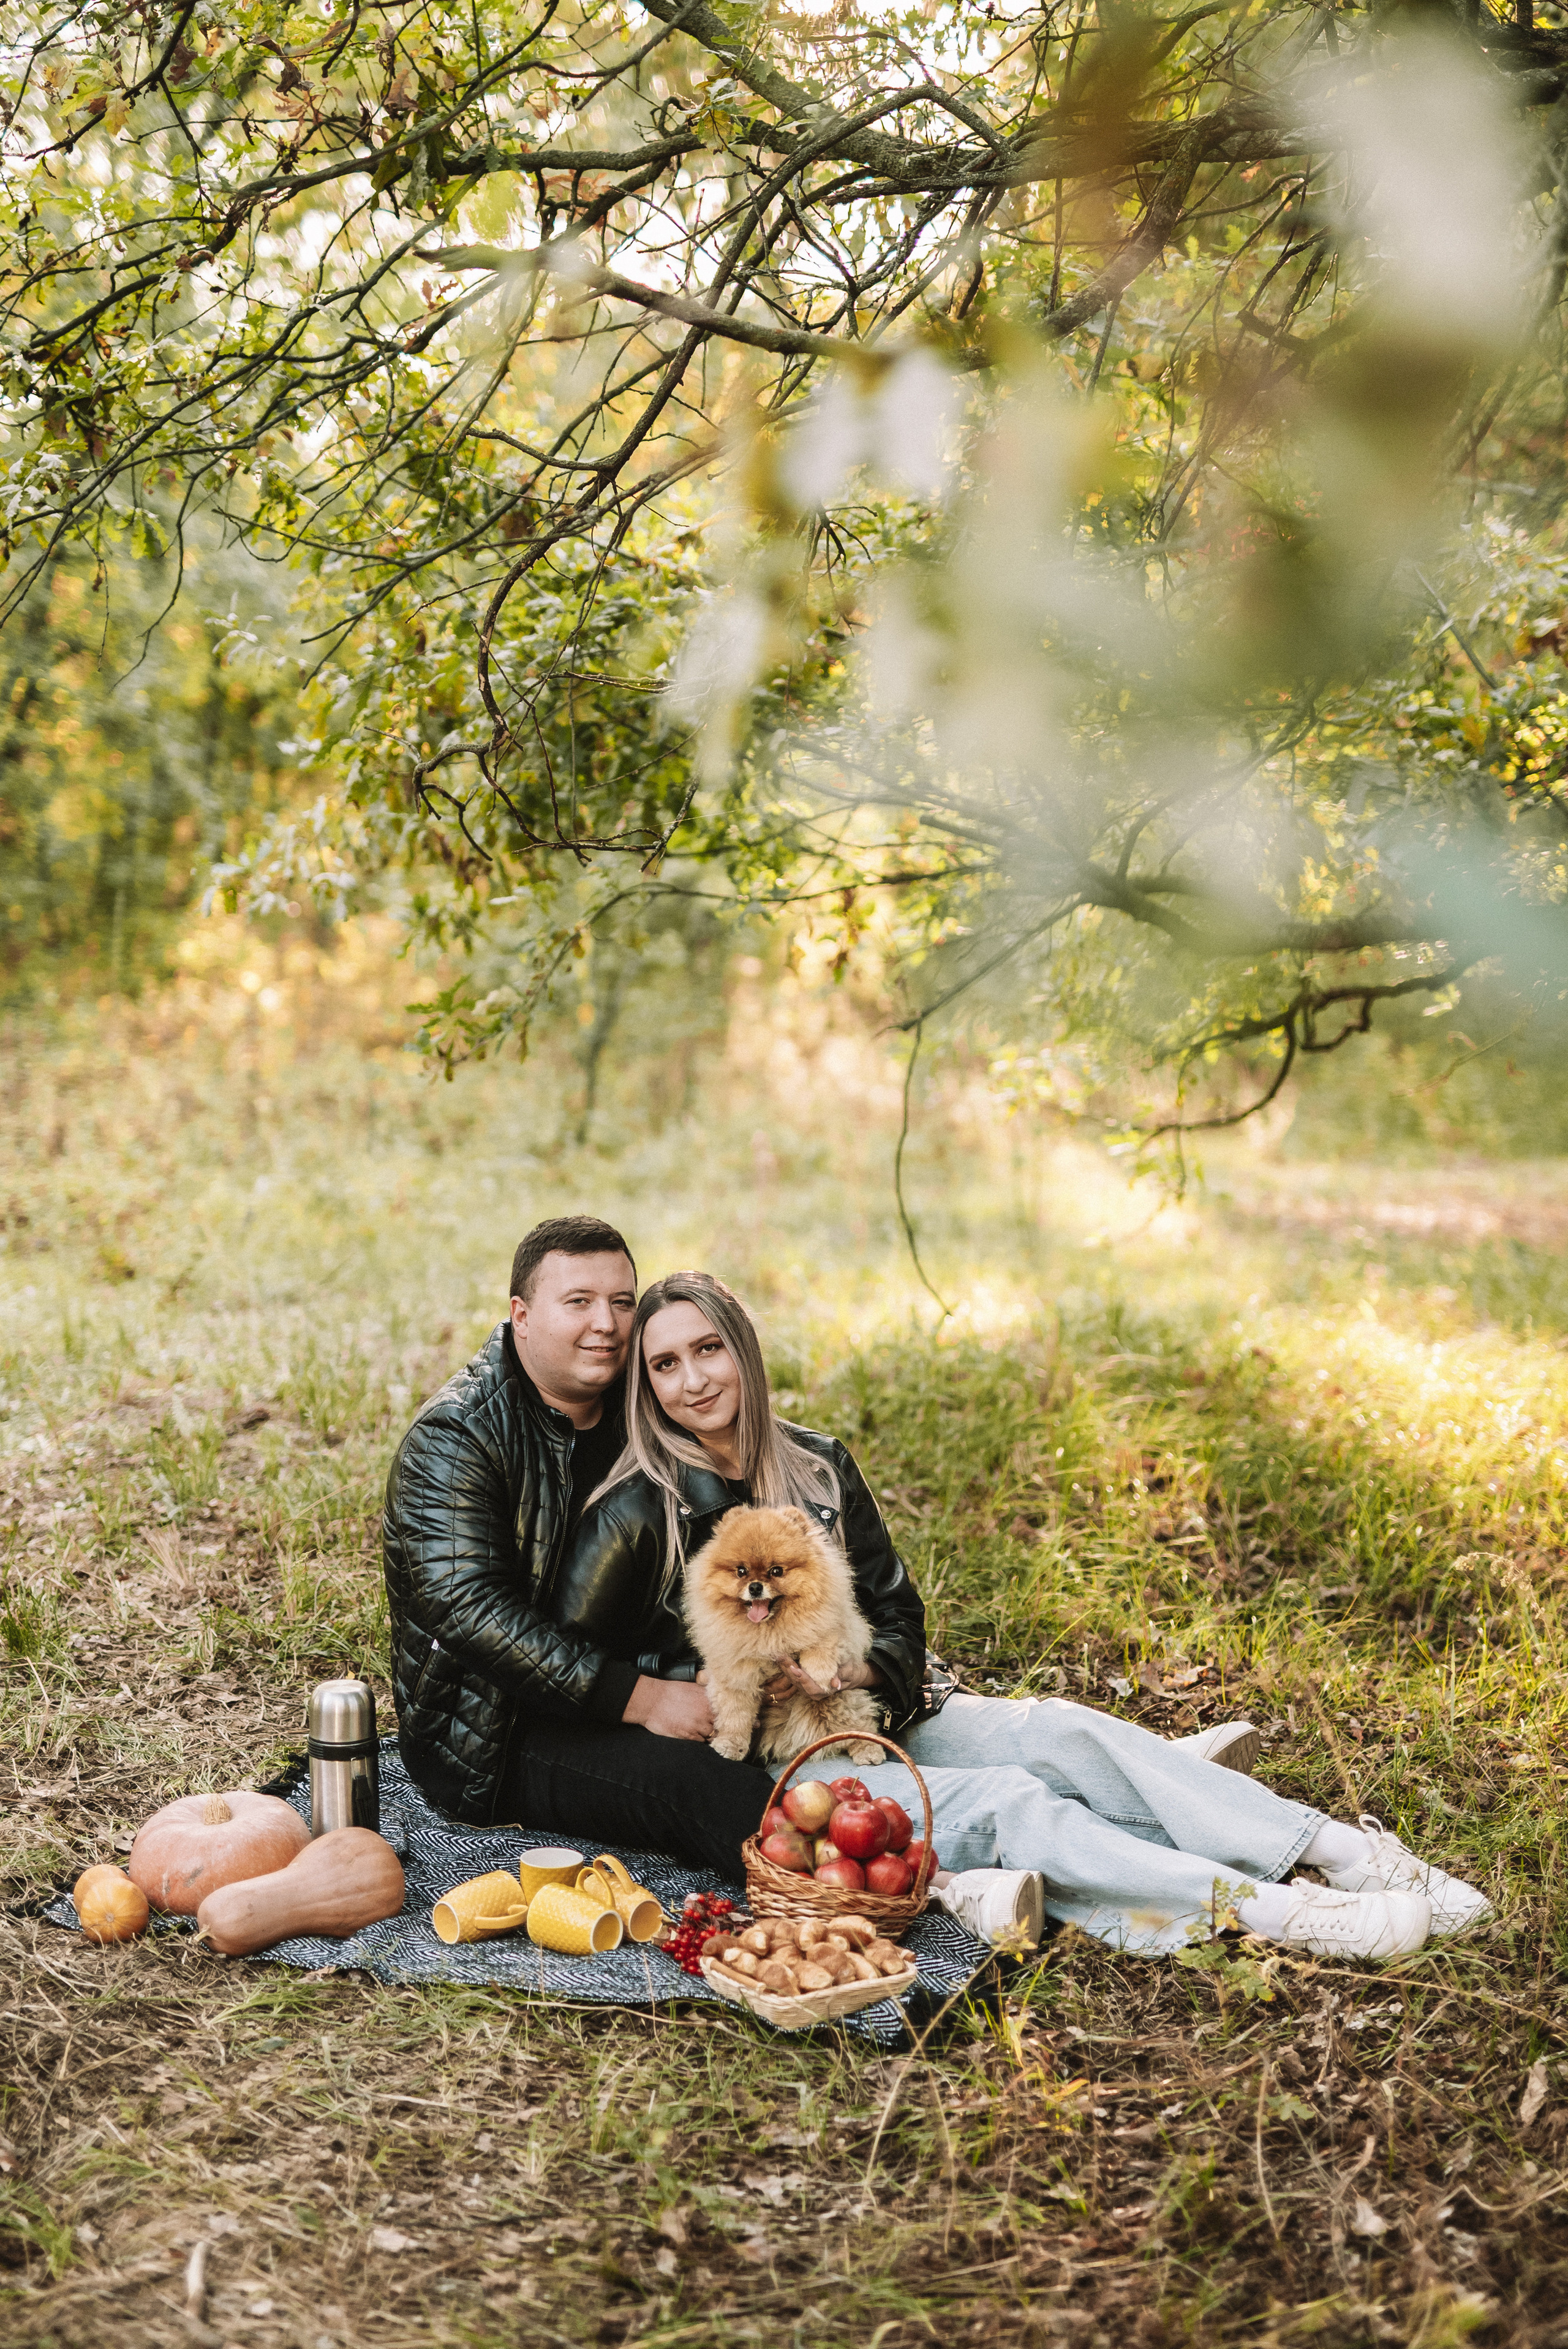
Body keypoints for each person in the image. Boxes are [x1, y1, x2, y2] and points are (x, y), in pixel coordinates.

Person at [550, 1270, 1494, 1959]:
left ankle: (1341, 1847)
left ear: (742, 1351)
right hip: (797, 1760)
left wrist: (856, 1669)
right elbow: (581, 1668)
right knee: (1013, 1803)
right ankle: (1273, 1909)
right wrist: (703, 1706)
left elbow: (897, 1613)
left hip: (884, 1704)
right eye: (665, 1363)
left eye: (708, 1349)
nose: (692, 1380)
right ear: (647, 1384)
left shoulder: (818, 1463)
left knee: (1065, 1731)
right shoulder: (639, 1510)